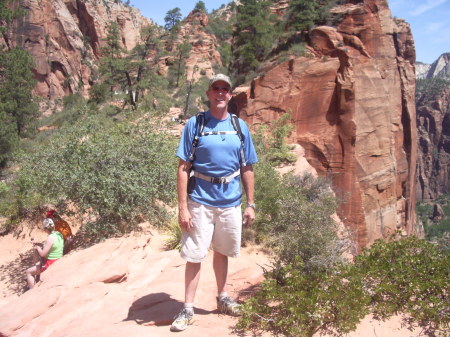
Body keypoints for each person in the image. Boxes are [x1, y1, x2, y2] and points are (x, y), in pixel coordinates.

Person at [171, 74, 258, 332]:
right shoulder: (195, 124)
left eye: (225, 89)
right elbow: (183, 168)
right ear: (208, 94)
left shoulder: (239, 126)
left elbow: (247, 166)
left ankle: (222, 298)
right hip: (200, 202)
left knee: (222, 251)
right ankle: (187, 308)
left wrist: (251, 203)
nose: (220, 93)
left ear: (230, 96)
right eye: (215, 88)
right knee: (195, 254)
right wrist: (183, 207)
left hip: (231, 202)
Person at [25, 218, 64, 290]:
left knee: (28, 272)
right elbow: (52, 246)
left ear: (46, 229)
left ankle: (32, 291)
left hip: (50, 262)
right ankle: (36, 277)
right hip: (58, 258)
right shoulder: (59, 234)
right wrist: (39, 243)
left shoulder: (50, 238)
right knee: (37, 262)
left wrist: (37, 247)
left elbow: (42, 254)